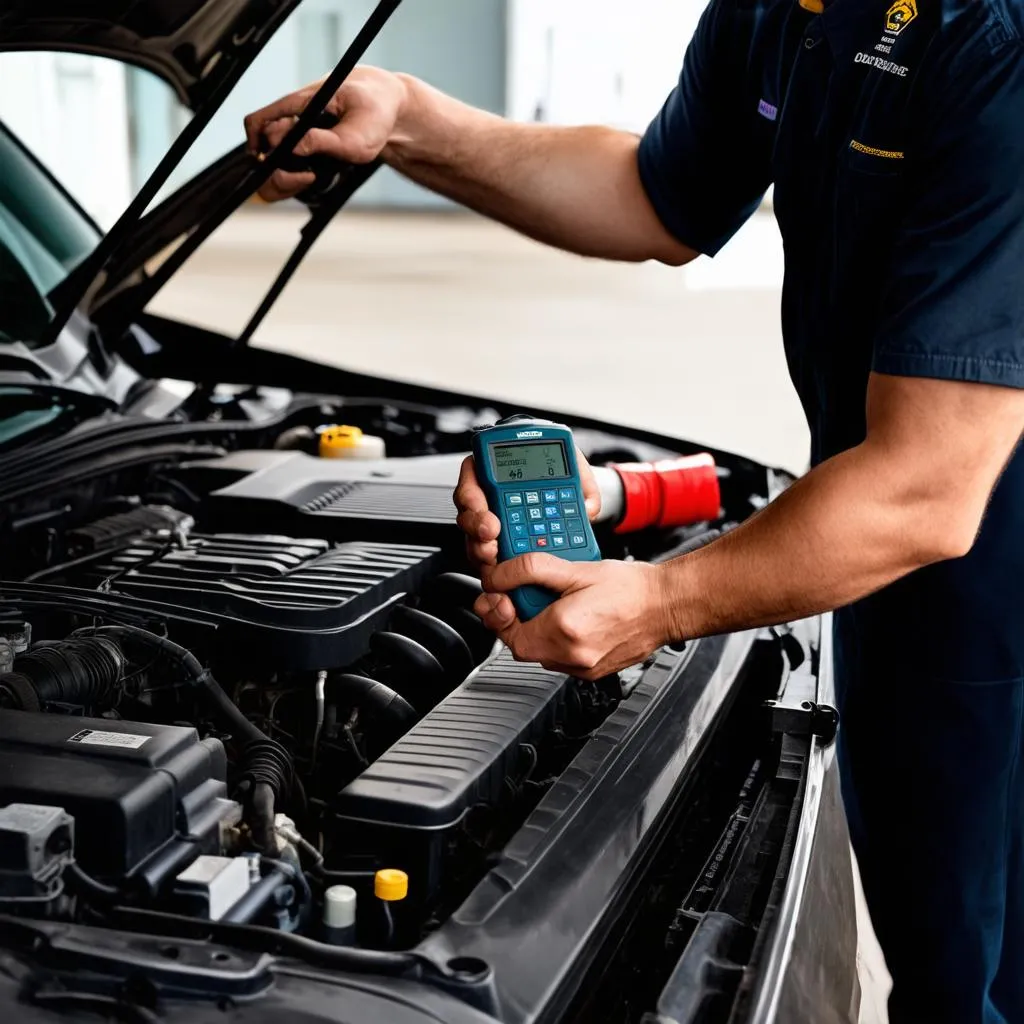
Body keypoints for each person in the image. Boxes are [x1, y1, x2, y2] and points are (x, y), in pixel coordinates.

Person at [245, 1, 1024, 1020]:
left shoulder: (991, 42)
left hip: (987, 589)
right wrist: (408, 119)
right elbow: (652, 194)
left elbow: (926, 487)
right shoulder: (778, 11)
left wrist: (659, 601)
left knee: (974, 983)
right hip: (890, 570)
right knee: (935, 951)